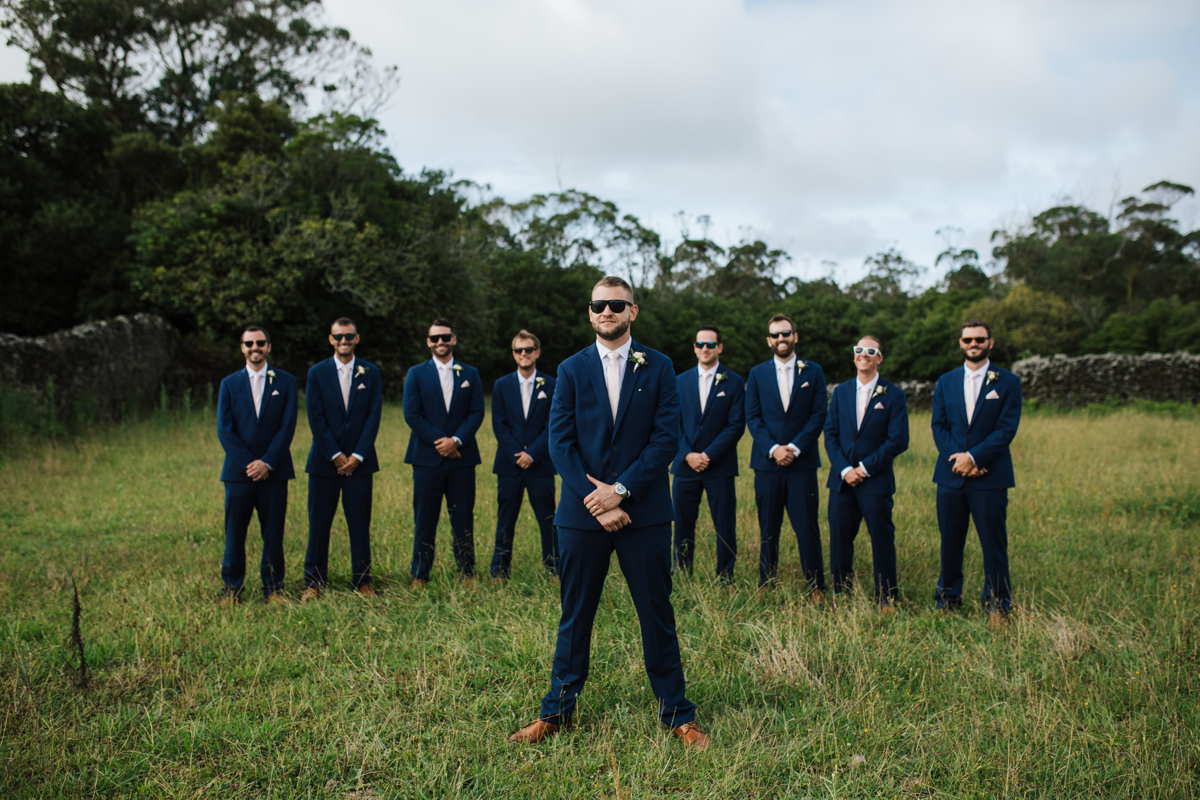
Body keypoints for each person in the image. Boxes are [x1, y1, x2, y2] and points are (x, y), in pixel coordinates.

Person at [509, 276, 708, 750]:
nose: (607, 311)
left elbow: (666, 438)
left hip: (646, 513)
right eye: (599, 305)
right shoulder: (571, 369)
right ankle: (555, 713)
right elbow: (560, 442)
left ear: (632, 311)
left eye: (616, 304)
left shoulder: (658, 366)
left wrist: (621, 491)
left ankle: (678, 715)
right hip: (582, 517)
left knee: (657, 615)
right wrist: (596, 501)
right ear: (590, 312)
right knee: (575, 616)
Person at [930, 320, 1022, 626]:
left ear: (990, 343)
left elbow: (1006, 428)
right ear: (960, 343)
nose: (974, 344)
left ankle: (997, 604)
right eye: (968, 339)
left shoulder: (1008, 382)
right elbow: (939, 426)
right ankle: (947, 598)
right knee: (950, 540)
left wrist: (975, 456)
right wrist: (958, 459)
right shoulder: (945, 381)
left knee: (993, 542)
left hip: (990, 475)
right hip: (951, 475)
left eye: (979, 339)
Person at [823, 336, 909, 610]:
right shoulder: (841, 392)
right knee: (839, 537)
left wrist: (865, 468)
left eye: (871, 351)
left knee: (881, 538)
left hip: (876, 480)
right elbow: (830, 434)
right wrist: (846, 469)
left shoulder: (893, 394)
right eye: (859, 350)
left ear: (879, 358)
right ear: (854, 356)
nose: (864, 354)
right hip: (842, 481)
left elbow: (898, 440)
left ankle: (886, 596)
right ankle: (841, 593)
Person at [744, 314, 828, 592]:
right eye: (776, 335)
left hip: (801, 464)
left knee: (807, 527)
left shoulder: (813, 371)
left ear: (795, 337)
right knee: (768, 527)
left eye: (786, 333)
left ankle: (816, 585)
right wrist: (774, 449)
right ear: (769, 341)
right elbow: (753, 417)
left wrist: (793, 448)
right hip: (767, 464)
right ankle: (767, 583)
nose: (782, 338)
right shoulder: (757, 373)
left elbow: (818, 415)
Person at [300, 317, 383, 601]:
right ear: (331, 339)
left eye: (349, 336)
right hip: (325, 463)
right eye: (339, 337)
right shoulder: (317, 373)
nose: (344, 341)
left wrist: (358, 455)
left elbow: (373, 417)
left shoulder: (370, 373)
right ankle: (314, 581)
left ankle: (363, 581)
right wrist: (335, 455)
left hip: (360, 463)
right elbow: (316, 417)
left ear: (357, 338)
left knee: (359, 523)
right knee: (319, 523)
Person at [215, 326, 298, 605]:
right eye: (249, 343)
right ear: (242, 348)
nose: (255, 347)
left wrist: (268, 462)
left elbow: (287, 427)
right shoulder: (229, 384)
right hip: (239, 474)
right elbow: (225, 430)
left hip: (274, 473)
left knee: (273, 533)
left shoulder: (285, 382)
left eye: (260, 343)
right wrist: (250, 464)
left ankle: (273, 589)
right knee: (235, 534)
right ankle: (232, 589)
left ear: (269, 346)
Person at [403, 318, 485, 588]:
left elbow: (476, 413)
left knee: (462, 518)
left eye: (445, 337)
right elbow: (412, 415)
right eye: (435, 338)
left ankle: (467, 573)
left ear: (454, 339)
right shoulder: (416, 373)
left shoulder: (470, 374)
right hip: (426, 459)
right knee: (424, 520)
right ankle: (420, 575)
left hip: (462, 460)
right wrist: (442, 442)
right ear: (428, 342)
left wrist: (457, 441)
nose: (440, 342)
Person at [670, 324, 745, 583]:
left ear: (719, 348)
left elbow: (736, 425)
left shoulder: (734, 382)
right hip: (684, 466)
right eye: (700, 344)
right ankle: (681, 573)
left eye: (710, 344)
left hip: (719, 466)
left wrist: (709, 455)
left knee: (724, 525)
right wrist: (688, 454)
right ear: (694, 348)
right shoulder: (678, 381)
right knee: (682, 524)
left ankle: (726, 576)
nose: (705, 349)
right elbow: (672, 424)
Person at [489, 330, 558, 579]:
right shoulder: (502, 385)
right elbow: (499, 424)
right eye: (519, 350)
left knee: (548, 519)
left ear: (537, 352)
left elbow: (553, 425)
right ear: (513, 354)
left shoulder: (552, 384)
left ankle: (554, 567)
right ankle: (499, 569)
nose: (524, 354)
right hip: (510, 465)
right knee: (506, 519)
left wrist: (534, 454)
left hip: (541, 465)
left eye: (529, 349)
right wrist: (517, 454)